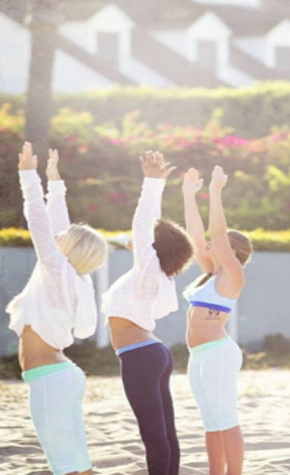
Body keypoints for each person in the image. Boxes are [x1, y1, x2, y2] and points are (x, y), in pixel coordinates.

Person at [7, 142, 108, 475]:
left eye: (63, 237)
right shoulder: (71, 278)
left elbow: (39, 222)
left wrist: (28, 176)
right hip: (59, 377)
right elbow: (56, 225)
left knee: (65, 465)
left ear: (68, 249)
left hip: (51, 379)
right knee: (77, 463)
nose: (57, 237)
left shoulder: (57, 271)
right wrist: (55, 183)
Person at [102, 151, 194, 475]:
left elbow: (143, 227)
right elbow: (146, 233)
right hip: (150, 353)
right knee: (163, 432)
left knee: (154, 435)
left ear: (153, 248)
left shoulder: (148, 272)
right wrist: (157, 187)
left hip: (140, 355)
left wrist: (151, 183)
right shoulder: (155, 275)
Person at [182, 165, 253, 475]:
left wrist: (214, 192)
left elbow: (217, 236)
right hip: (198, 355)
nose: (208, 246)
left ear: (231, 250)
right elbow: (196, 238)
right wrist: (188, 195)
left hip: (218, 354)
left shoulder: (233, 275)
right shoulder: (212, 274)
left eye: (219, 244)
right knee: (211, 421)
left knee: (226, 419)